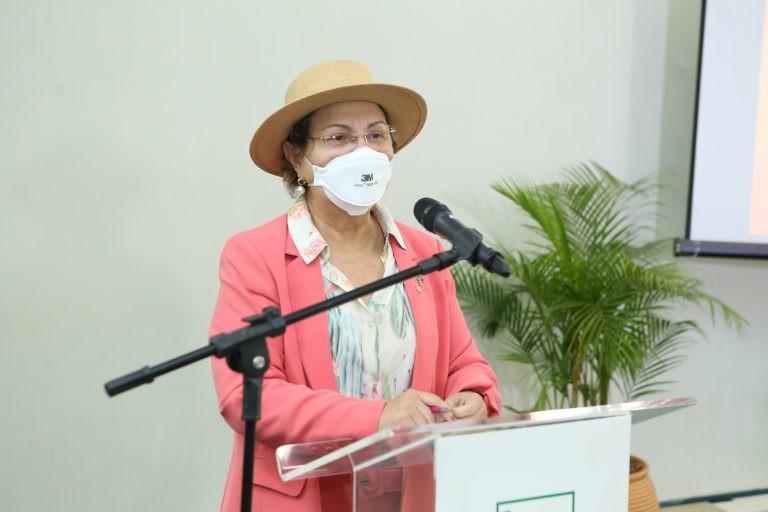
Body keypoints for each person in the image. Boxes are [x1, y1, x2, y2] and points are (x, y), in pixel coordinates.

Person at [209, 60, 501, 512]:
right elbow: (248, 394)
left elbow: (464, 362)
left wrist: (475, 396)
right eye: (338, 137)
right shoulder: (255, 255)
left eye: (376, 135)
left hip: (410, 494)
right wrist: (378, 417)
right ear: (296, 158)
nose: (361, 151)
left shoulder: (423, 251)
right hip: (305, 498)